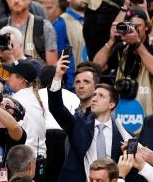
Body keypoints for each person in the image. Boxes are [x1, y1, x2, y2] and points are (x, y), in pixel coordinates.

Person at [48, 54, 124, 182]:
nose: (81, 86)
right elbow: (57, 108)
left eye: (86, 82)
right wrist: (58, 76)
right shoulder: (78, 123)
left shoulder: (121, 132)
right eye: (77, 82)